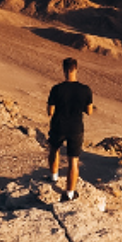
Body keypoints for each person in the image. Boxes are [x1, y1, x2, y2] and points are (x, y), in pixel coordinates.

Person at [46, 57, 94, 200]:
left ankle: (53, 177)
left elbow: (50, 112)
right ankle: (69, 193)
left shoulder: (57, 89)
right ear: (76, 69)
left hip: (58, 125)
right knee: (73, 160)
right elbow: (89, 111)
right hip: (75, 128)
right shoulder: (85, 90)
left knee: (54, 149)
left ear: (64, 70)